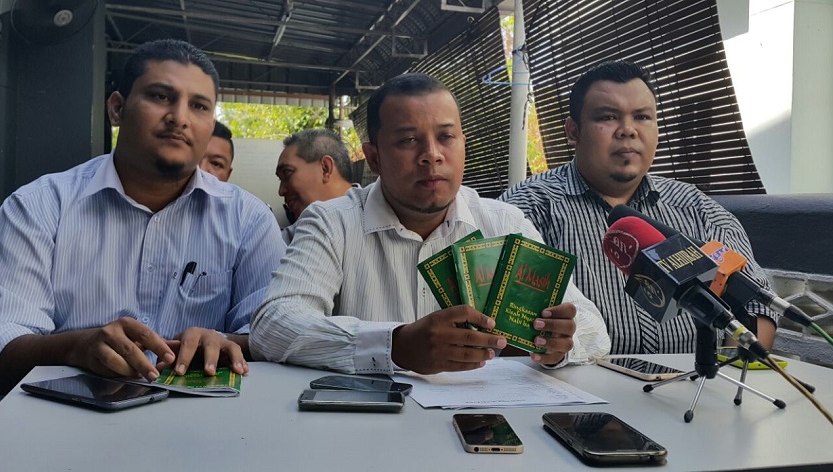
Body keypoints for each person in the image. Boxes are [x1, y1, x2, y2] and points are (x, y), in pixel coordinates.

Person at [250, 73, 610, 375]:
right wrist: (394, 345)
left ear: (463, 145)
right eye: (408, 140)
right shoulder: (332, 222)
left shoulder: (504, 222)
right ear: (373, 158)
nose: (432, 154)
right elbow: (274, 324)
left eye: (446, 137)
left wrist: (561, 342)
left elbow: (593, 327)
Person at [0, 39, 286, 395]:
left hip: (204, 429)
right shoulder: (38, 208)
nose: (179, 117)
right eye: (161, 96)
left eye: (198, 106)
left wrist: (226, 342)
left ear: (210, 125)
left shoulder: (248, 220)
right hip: (65, 423)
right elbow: (3, 350)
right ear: (117, 109)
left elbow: (273, 337)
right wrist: (75, 347)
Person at [499, 60, 778, 355]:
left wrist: (727, 379)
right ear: (573, 131)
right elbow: (505, 327)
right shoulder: (527, 210)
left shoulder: (700, 211)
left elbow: (756, 303)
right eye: (608, 117)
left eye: (642, 117)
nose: (628, 130)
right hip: (579, 392)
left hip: (690, 390)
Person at [276, 128, 354, 242]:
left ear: (325, 168)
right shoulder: (285, 241)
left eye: (288, 173)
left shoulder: (379, 222)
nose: (281, 191)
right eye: (280, 179)